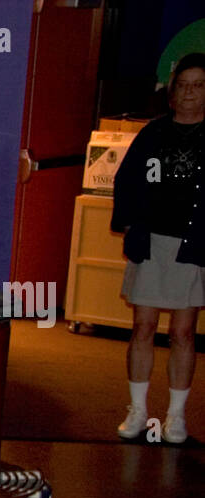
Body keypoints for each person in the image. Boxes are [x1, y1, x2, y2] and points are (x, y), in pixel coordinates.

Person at [111, 52, 205, 444]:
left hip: (193, 244)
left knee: (183, 333)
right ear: (171, 91)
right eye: (182, 85)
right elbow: (127, 181)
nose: (188, 93)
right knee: (143, 326)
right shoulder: (152, 133)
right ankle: (137, 411)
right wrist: (132, 225)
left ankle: (176, 417)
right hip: (152, 241)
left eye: (198, 85)